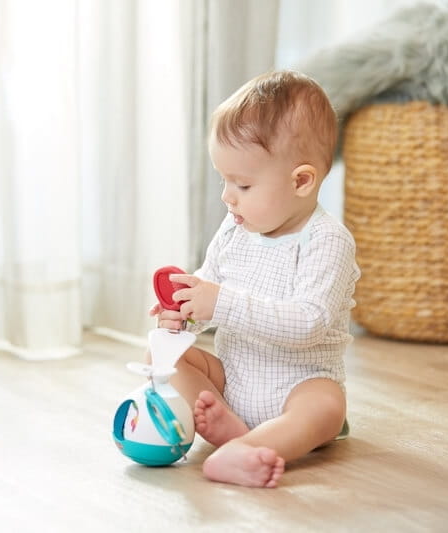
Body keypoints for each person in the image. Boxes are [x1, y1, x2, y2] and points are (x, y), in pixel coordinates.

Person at [148, 70, 360, 488]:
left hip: (299, 385)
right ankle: (219, 430)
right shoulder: (234, 228)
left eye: (243, 184)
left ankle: (246, 447)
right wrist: (185, 314)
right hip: (232, 378)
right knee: (164, 353)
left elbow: (309, 323)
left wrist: (220, 302)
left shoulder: (328, 240)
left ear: (301, 181)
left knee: (327, 406)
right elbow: (209, 287)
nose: (227, 196)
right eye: (224, 179)